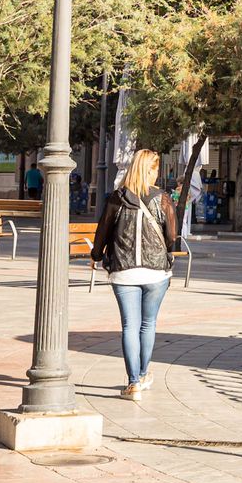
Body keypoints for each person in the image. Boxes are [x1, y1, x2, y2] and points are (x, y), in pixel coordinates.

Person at [91, 148, 176, 400]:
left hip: (124, 270)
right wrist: (166, 251)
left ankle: (133, 382)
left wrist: (96, 256)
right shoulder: (163, 199)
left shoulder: (116, 198)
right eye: (156, 169)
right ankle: (143, 372)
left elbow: (102, 232)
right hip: (156, 272)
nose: (157, 173)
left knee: (130, 325)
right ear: (150, 170)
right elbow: (171, 236)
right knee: (148, 324)